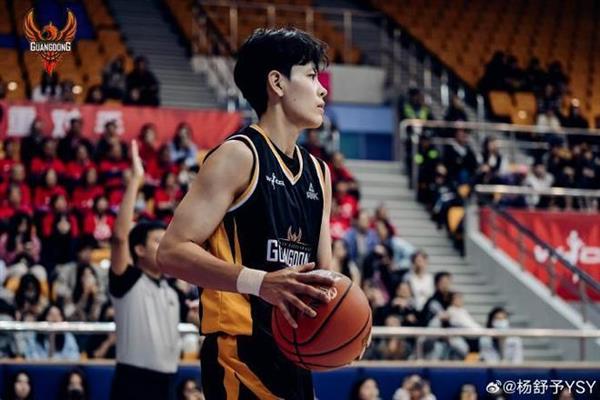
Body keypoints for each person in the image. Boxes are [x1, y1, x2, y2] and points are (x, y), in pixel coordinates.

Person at [157, 28, 337, 400]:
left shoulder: (320, 173)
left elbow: (324, 279)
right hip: (239, 353)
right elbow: (171, 252)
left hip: (296, 358)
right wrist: (261, 282)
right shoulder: (238, 155)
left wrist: (345, 323)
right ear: (277, 83)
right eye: (311, 76)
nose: (322, 91)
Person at [108, 140, 181, 400]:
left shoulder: (172, 291)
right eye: (157, 241)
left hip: (168, 383)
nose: (164, 246)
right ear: (139, 250)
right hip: (133, 383)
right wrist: (136, 180)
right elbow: (119, 238)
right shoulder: (128, 280)